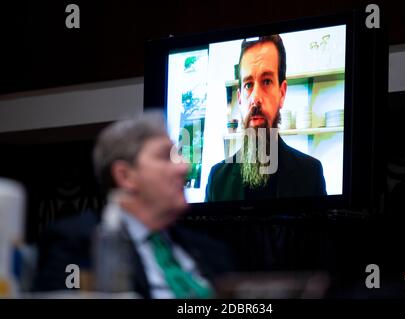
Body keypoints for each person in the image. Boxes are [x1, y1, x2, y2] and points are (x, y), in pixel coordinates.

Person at [34, 111, 232, 298]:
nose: (184, 167)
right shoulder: (78, 243)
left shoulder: (210, 250)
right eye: (166, 156)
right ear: (125, 176)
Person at [205, 35, 327, 202]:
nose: (255, 98)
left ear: (282, 93)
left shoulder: (311, 174)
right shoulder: (217, 180)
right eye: (248, 84)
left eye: (267, 81)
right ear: (240, 99)